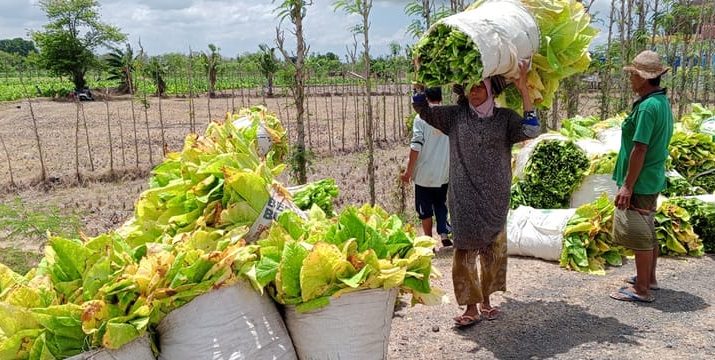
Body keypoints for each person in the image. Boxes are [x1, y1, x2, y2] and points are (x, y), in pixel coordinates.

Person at [411, 60, 539, 327]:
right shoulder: (455, 116)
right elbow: (422, 109)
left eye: (481, 86)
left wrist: (523, 87)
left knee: (492, 249)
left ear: (492, 90)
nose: (475, 91)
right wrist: (419, 75)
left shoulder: (504, 119)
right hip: (463, 194)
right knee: (465, 250)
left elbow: (531, 129)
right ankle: (470, 306)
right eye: (471, 87)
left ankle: (487, 300)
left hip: (495, 195)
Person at [610, 50, 673, 303]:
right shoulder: (661, 103)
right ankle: (650, 279)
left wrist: (627, 185)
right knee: (647, 228)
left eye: (633, 76)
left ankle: (642, 290)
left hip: (642, 178)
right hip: (652, 175)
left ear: (644, 78)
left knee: (639, 234)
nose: (630, 80)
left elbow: (640, 148)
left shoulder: (647, 108)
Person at [401, 87, 452, 248]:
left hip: (424, 174)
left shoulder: (421, 118)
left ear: (426, 98)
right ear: (441, 97)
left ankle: (429, 241)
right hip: (443, 171)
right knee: (440, 203)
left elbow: (416, 146)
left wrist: (408, 171)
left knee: (425, 209)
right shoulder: (449, 116)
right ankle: (444, 234)